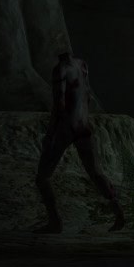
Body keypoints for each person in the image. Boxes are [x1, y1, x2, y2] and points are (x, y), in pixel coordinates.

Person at [36, 51, 125, 233]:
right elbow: (88, 96)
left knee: (42, 177)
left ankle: (55, 222)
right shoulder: (82, 65)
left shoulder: (60, 70)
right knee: (96, 173)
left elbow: (59, 105)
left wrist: (50, 133)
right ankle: (119, 214)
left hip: (66, 128)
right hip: (83, 127)